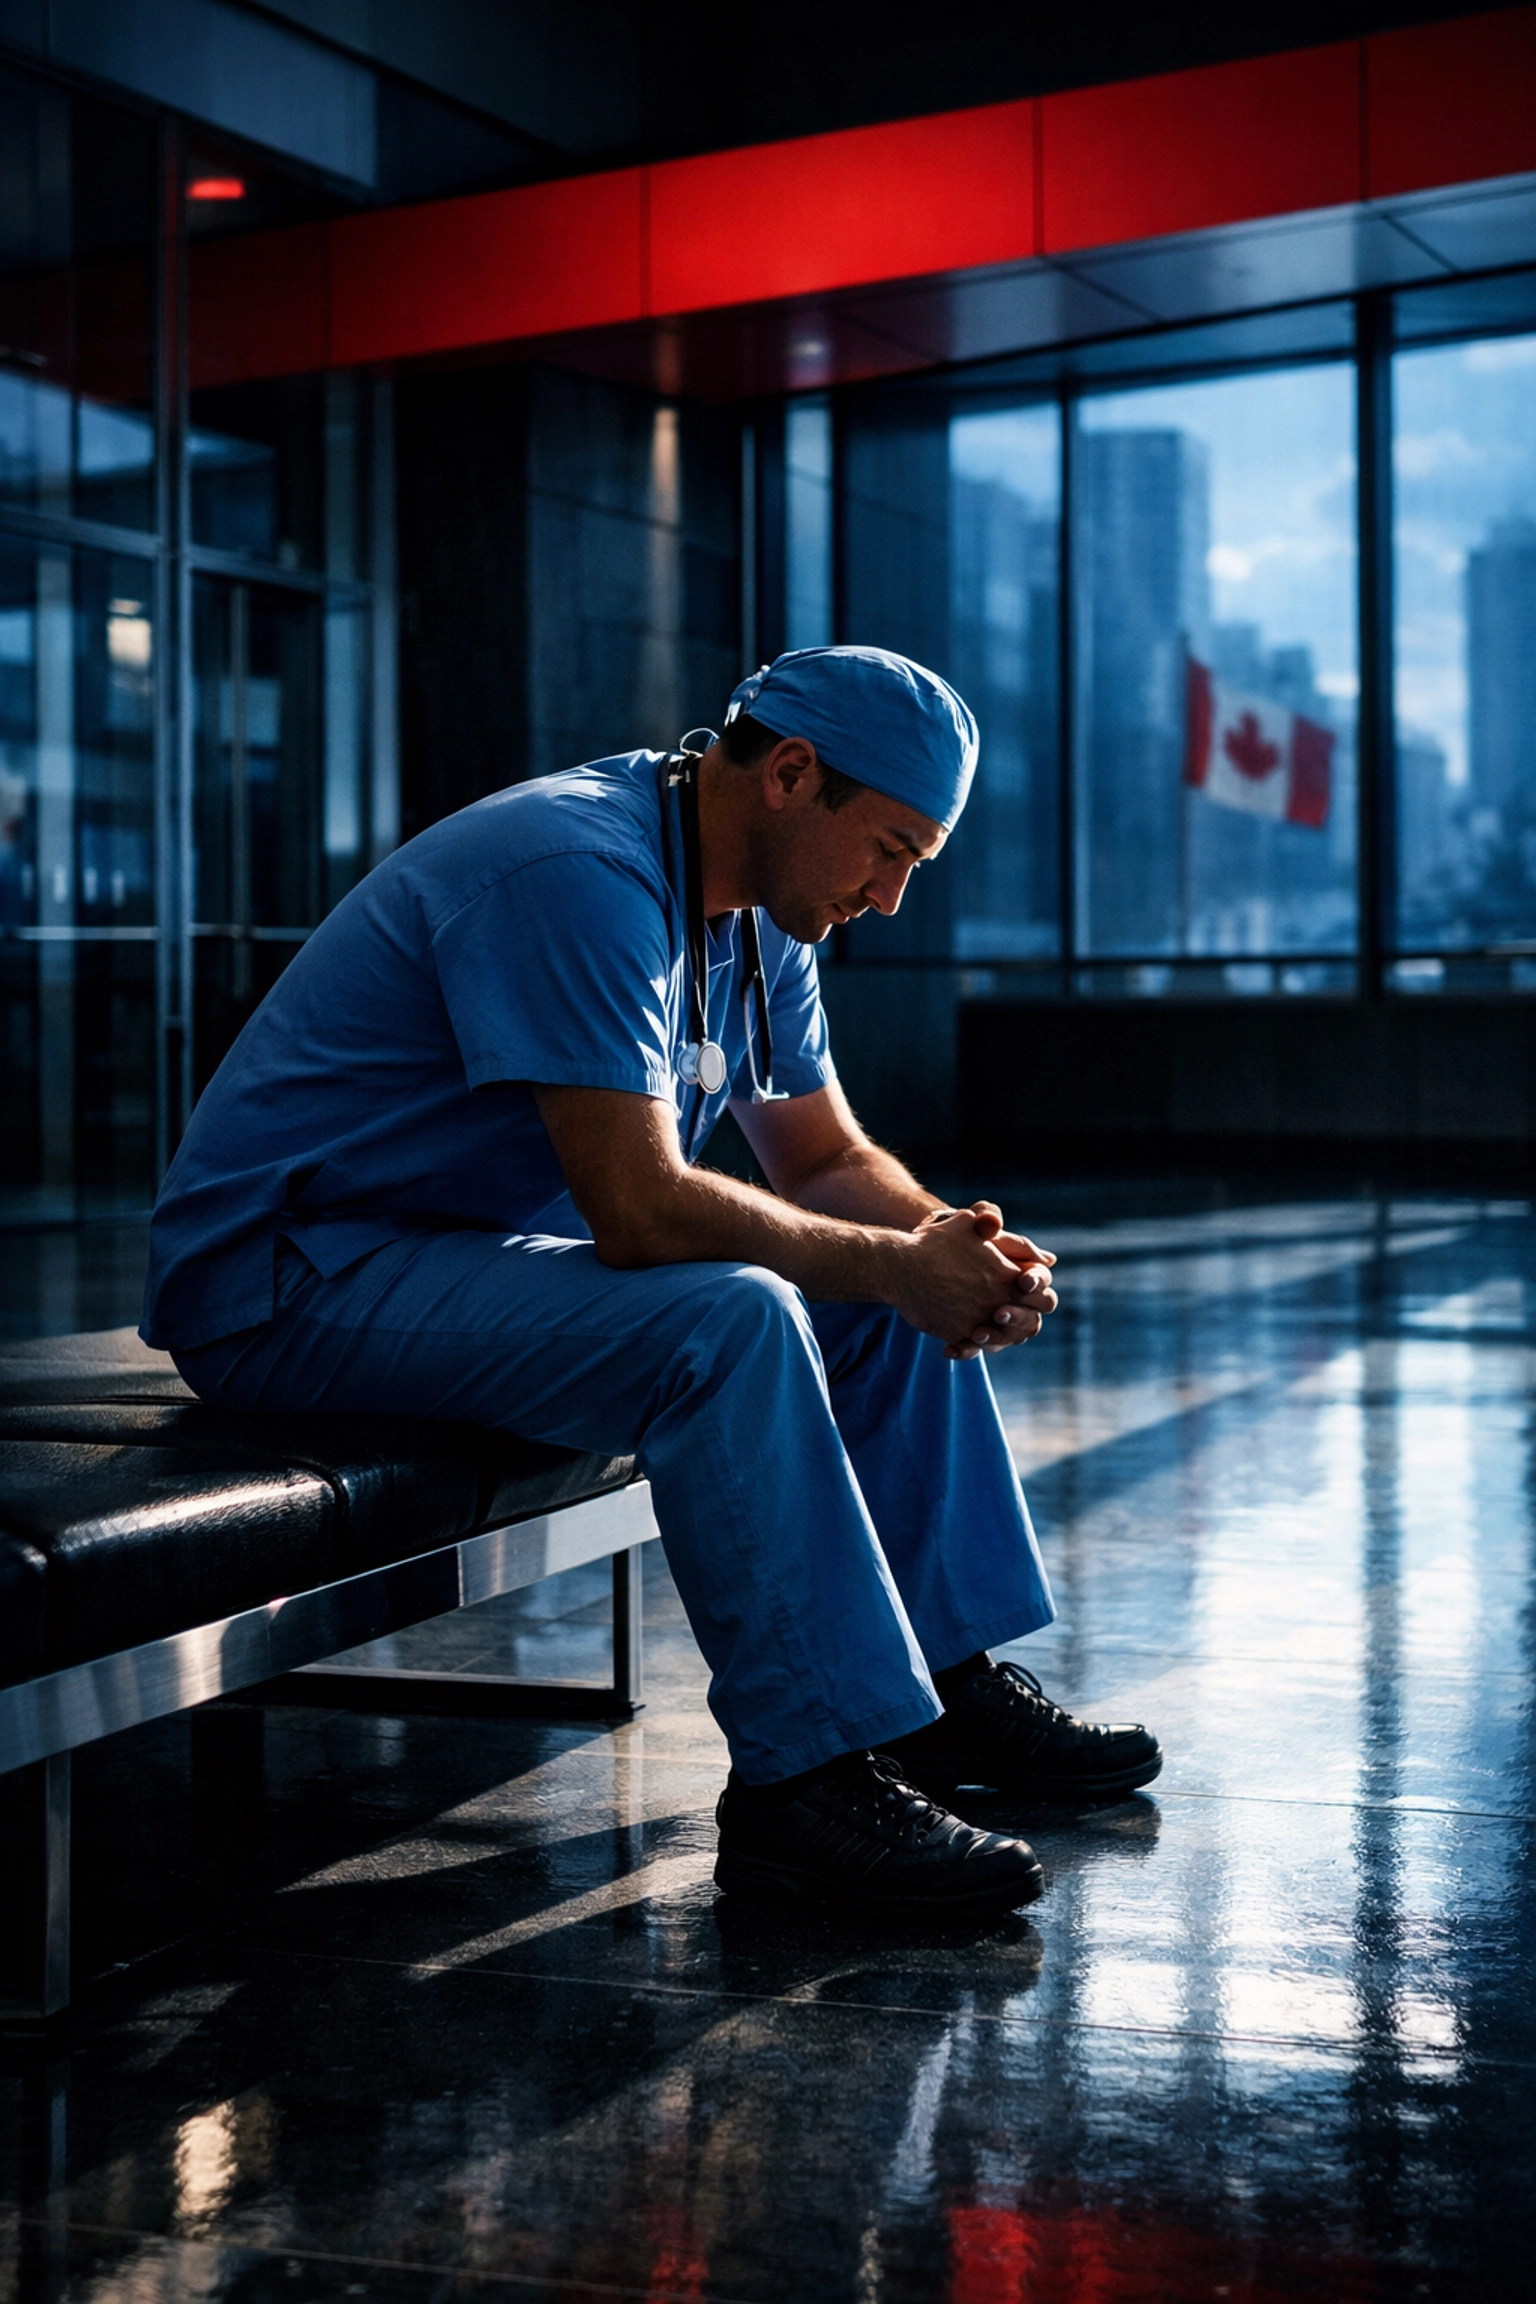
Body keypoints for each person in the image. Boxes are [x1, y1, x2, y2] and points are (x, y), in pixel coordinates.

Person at [142, 644, 1161, 1920]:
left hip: (441, 1258)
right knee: (731, 1318)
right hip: (284, 1279)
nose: (891, 897)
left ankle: (943, 1690)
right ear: (792, 775)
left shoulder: (759, 917)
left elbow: (829, 1159)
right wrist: (905, 1265)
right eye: (890, 850)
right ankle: (806, 1785)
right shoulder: (578, 870)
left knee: (879, 1297)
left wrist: (953, 1249)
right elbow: (638, 1209)